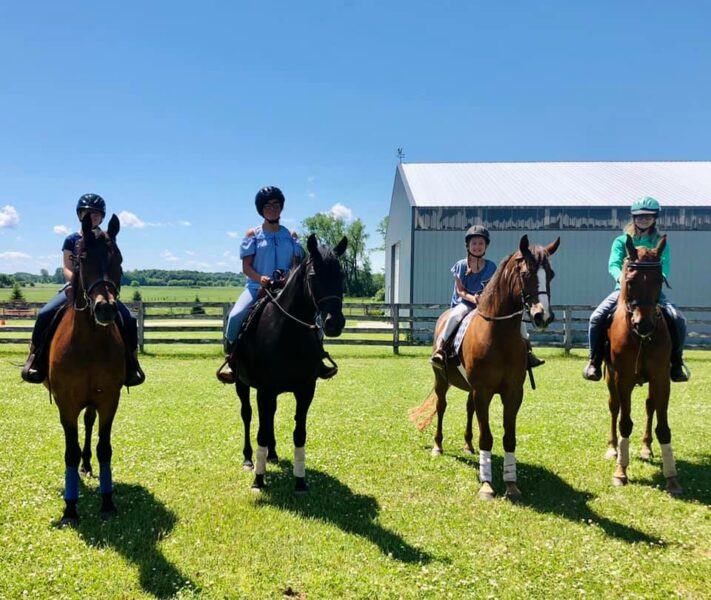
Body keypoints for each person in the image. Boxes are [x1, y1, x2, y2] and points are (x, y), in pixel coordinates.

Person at [21, 194, 145, 387]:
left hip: (101, 289)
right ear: (80, 214)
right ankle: (35, 359)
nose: (92, 216)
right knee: (45, 314)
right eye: (88, 212)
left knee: (128, 319)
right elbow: (67, 267)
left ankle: (132, 362)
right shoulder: (71, 240)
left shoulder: (106, 239)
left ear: (102, 217)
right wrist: (75, 284)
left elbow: (109, 266)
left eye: (96, 214)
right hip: (75, 288)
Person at [217, 186, 336, 384]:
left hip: (286, 288)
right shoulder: (252, 235)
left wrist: (289, 274)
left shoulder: (290, 236)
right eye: (267, 205)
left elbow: (297, 264)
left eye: (276, 204)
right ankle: (233, 361)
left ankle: (318, 360)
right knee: (235, 317)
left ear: (281, 207)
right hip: (257, 287)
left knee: (314, 321)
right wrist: (260, 278)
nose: (272, 208)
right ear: (261, 209)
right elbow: (246, 267)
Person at [583, 196, 690, 382]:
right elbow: (613, 264)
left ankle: (677, 363)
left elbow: (665, 267)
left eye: (648, 216)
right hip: (624, 290)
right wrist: (621, 279)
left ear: (655, 218)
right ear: (633, 218)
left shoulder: (660, 242)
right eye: (639, 216)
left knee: (678, 318)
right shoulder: (621, 241)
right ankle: (594, 361)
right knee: (596, 318)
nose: (643, 219)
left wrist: (657, 280)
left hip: (652, 293)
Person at [430, 225, 546, 370]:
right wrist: (474, 299)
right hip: (465, 303)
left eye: (481, 243)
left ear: (486, 246)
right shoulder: (460, 265)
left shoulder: (491, 267)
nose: (477, 246)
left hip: (486, 304)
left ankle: (528, 352)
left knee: (519, 320)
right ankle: (441, 349)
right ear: (468, 245)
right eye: (474, 243)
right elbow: (460, 291)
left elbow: (494, 288)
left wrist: (484, 299)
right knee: (454, 316)